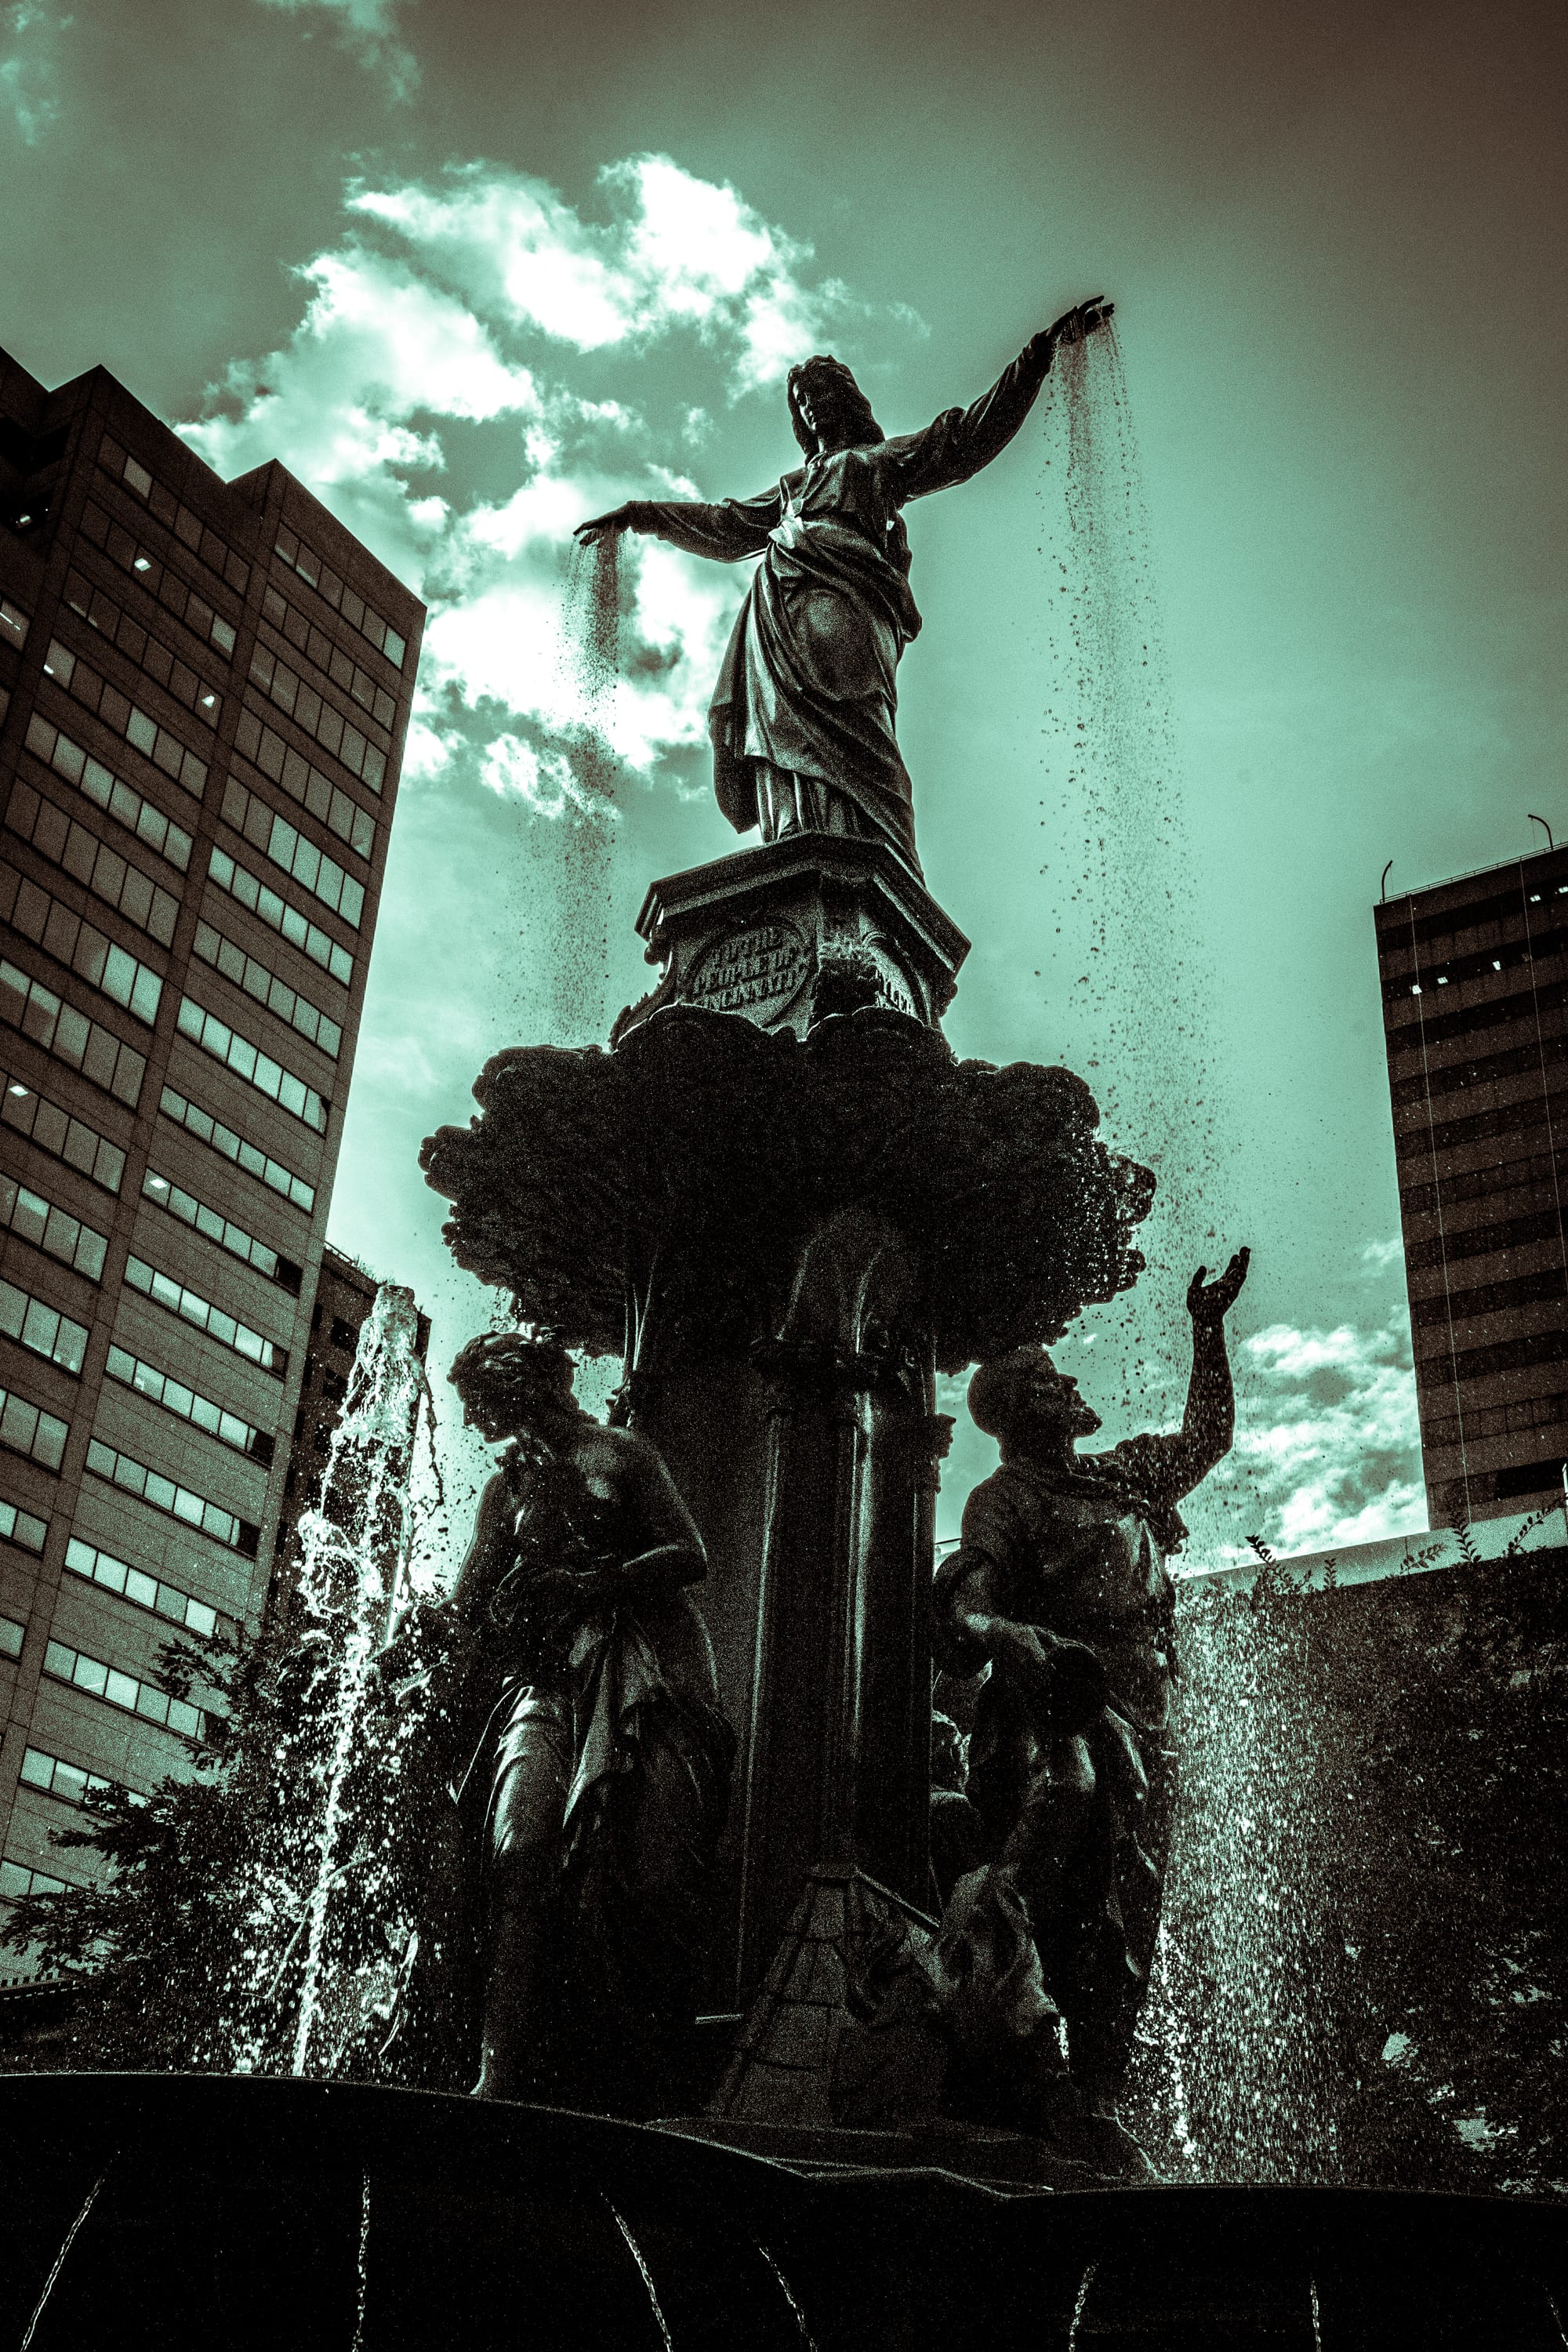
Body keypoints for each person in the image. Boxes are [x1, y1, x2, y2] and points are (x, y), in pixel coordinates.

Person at [575, 299, 1113, 875]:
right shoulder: (791, 488)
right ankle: (797, 845)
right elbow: (727, 527)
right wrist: (641, 515)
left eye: (824, 393)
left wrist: (1036, 357)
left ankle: (886, 873)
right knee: (785, 743)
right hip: (778, 618)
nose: (813, 406)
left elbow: (964, 441)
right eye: (804, 402)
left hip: (847, 604)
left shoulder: (876, 462)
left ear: (849, 402)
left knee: (861, 736)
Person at [934, 1250, 1249, 2121]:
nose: (1065, 1382)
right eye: (1043, 1379)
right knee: (1080, 1891)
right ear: (1013, 1413)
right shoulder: (1004, 1498)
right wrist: (1009, 1635)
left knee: (1132, 1908)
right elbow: (967, 1604)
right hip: (1063, 1709)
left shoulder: (1117, 1476)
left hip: (1149, 1712)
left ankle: (1101, 2090)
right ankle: (995, 1974)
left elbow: (1205, 1439)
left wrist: (1206, 1328)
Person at [402, 1331, 731, 2110]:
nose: (487, 1414)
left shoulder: (619, 1453)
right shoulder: (506, 1490)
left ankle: (639, 2072)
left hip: (638, 1671)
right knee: (519, 1849)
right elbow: (469, 1604)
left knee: (634, 1874)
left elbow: (691, 1555)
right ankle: (500, 2070)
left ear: (537, 1383)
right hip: (544, 1683)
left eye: (495, 1392)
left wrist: (590, 1580)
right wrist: (420, 1635)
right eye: (481, 1403)